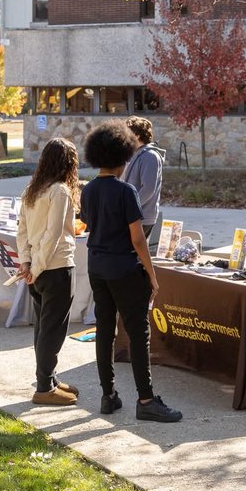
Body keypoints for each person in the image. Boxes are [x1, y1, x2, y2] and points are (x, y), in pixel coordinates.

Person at [82, 120, 182, 423]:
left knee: (105, 330)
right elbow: (138, 239)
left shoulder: (87, 190)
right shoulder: (126, 191)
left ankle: (108, 395)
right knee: (139, 334)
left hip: (96, 266)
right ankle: (146, 399)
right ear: (124, 156)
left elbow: (89, 224)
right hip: (124, 267)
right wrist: (151, 275)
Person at [17, 138, 81, 406]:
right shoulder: (60, 191)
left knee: (44, 327)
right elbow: (54, 233)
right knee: (52, 329)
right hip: (55, 267)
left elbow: (21, 230)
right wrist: (36, 266)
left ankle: (48, 377)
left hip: (38, 269)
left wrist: (27, 263)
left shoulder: (33, 189)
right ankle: (44, 387)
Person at [121, 116, 165, 248]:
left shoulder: (150, 156)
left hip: (142, 217)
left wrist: (129, 209)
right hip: (133, 216)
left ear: (137, 135)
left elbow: (148, 189)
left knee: (132, 254)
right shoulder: (135, 153)